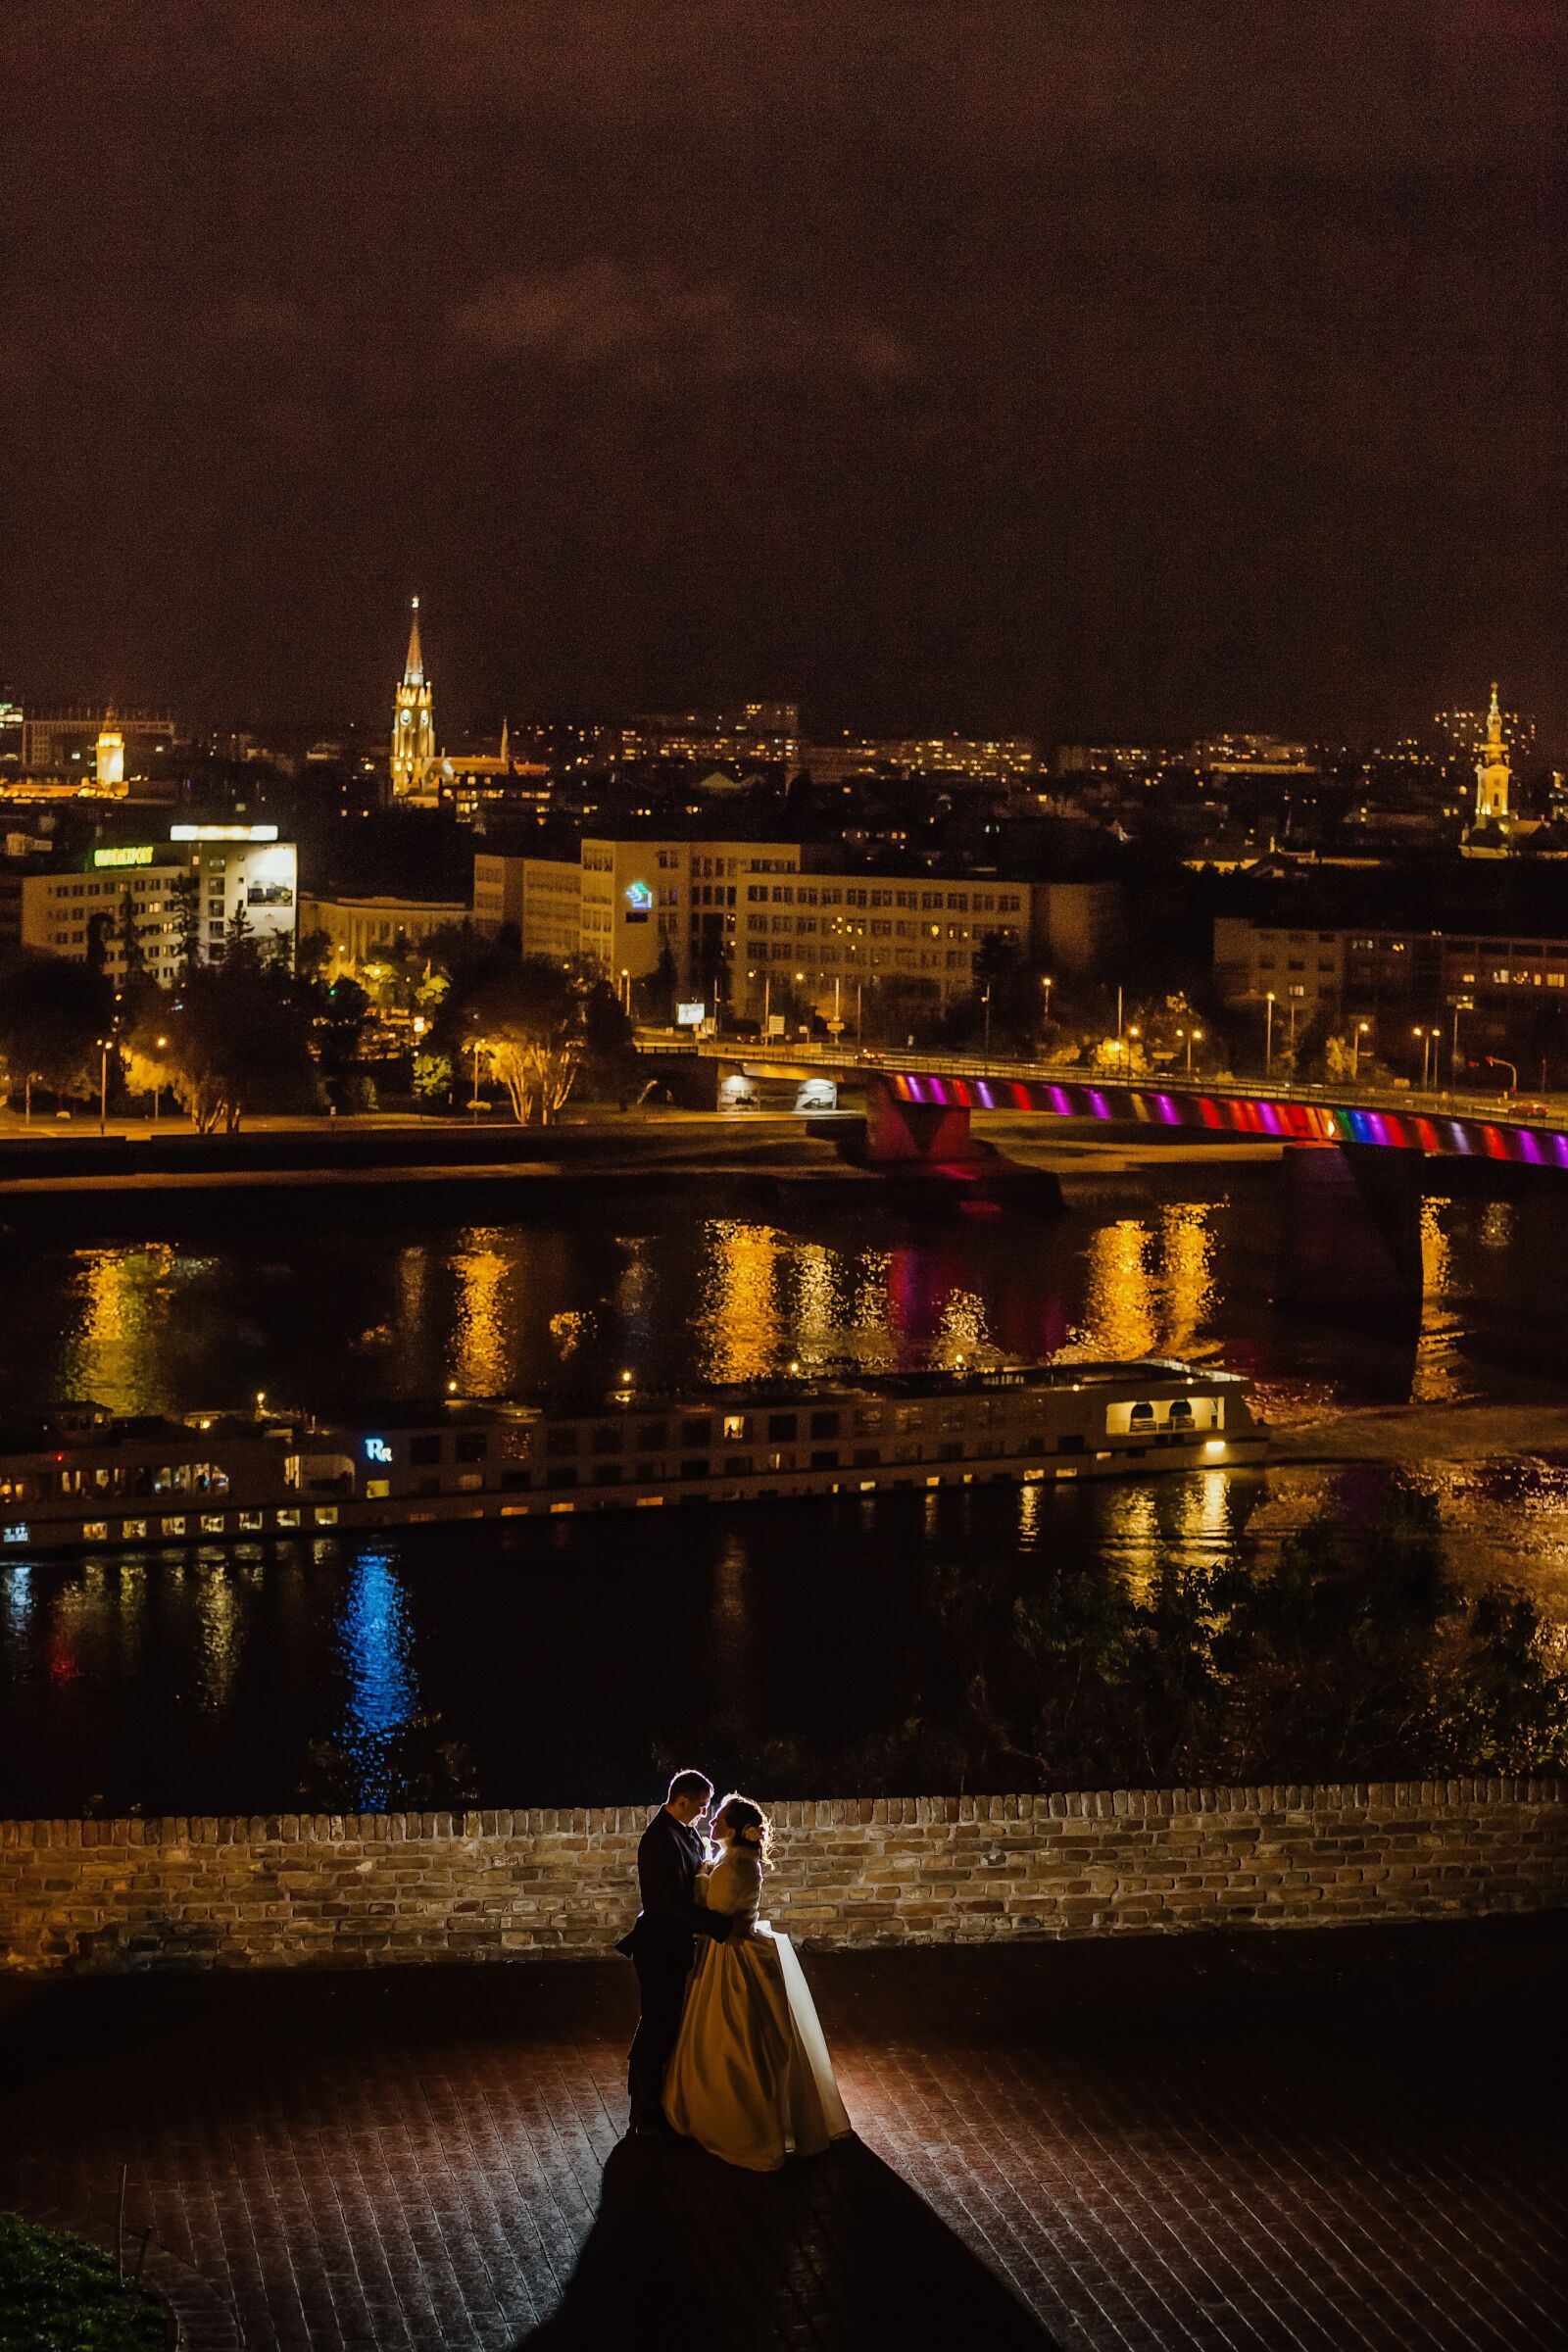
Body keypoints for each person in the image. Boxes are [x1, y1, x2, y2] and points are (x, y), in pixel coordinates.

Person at [662, 1793, 852, 2171]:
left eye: (717, 1819)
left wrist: (699, 1874)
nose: (710, 1824)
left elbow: (711, 1909)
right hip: (728, 1948)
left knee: (734, 2037)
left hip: (731, 1957)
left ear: (732, 1829)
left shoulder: (736, 1867)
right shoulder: (735, 1860)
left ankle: (745, 2129)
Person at [617, 1769, 732, 2134]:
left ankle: (661, 2103)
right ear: (681, 1801)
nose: (704, 1813)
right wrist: (718, 1925)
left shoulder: (687, 1834)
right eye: (700, 1806)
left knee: (667, 2024)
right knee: (657, 2026)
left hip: (676, 1945)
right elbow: (665, 1903)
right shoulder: (657, 1840)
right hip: (658, 1947)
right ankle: (643, 2112)